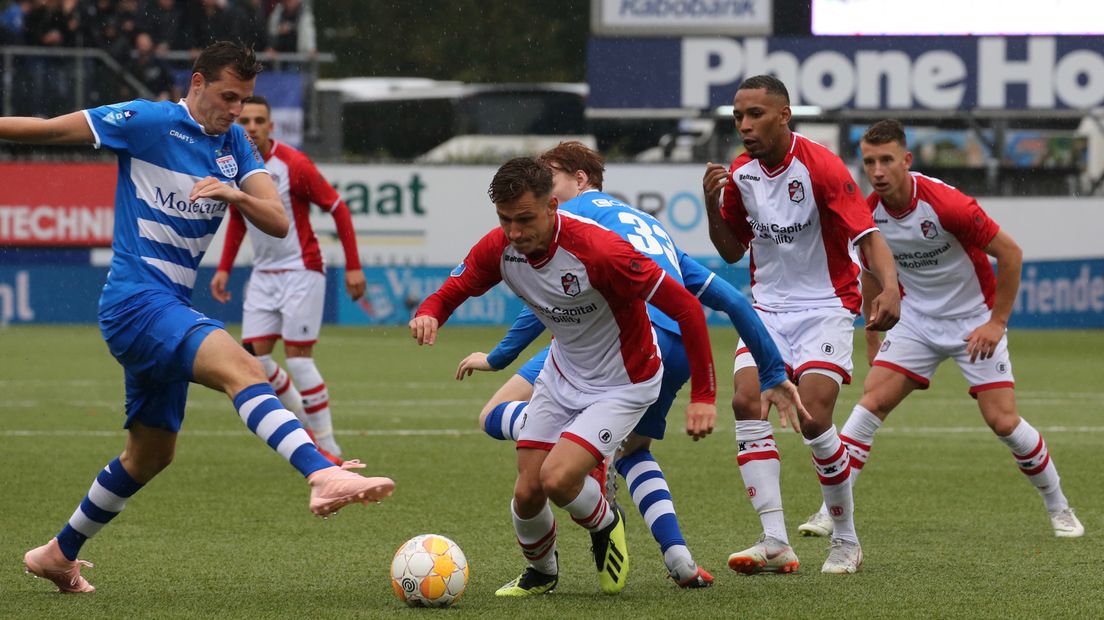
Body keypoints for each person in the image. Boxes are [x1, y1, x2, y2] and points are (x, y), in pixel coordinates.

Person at [8, 42, 393, 594]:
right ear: (196, 83)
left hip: (168, 306)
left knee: (151, 454)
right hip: (135, 301)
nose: (236, 111)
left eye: (244, 100)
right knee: (246, 369)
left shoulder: (235, 145)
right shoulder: (146, 121)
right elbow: (46, 131)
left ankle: (56, 553)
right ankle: (320, 473)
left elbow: (278, 221)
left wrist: (234, 193)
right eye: (227, 96)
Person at [454, 141, 808, 588]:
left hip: (618, 342)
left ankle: (581, 455)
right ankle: (678, 557)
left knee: (493, 416)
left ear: (579, 182)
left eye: (551, 175)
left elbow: (547, 298)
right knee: (634, 450)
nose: (542, 189)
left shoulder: (571, 219)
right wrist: (772, 371)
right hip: (672, 349)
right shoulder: (649, 225)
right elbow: (733, 301)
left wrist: (499, 356)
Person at [411, 157, 719, 597]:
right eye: (505, 220)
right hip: (562, 373)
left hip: (625, 382)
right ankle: (542, 573)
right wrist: (430, 312)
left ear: (553, 206)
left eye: (525, 219)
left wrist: (705, 394)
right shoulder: (501, 247)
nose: (514, 232)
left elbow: (687, 309)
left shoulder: (602, 251)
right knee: (528, 493)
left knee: (557, 479)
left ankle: (606, 522)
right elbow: (457, 287)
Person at [797, 119, 1084, 540]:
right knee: (871, 403)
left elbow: (1011, 253)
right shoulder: (865, 211)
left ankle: (1059, 506)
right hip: (915, 320)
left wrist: (996, 322)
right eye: (870, 161)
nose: (877, 170)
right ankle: (830, 509)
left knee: (1003, 422)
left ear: (906, 161)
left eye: (887, 160)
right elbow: (872, 271)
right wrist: (874, 335)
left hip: (973, 321)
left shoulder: (947, 205)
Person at [702, 74, 902, 574]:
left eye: (755, 115)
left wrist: (892, 287)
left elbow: (869, 237)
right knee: (747, 401)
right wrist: (711, 204)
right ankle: (774, 540)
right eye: (738, 117)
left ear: (784, 115)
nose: (744, 126)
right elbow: (732, 248)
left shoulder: (821, 167)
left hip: (827, 305)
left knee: (814, 418)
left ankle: (846, 541)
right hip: (766, 309)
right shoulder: (741, 172)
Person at [210, 94, 363, 463]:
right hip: (264, 276)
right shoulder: (234, 164)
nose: (251, 128)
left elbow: (338, 208)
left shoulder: (293, 164)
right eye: (244, 121)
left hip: (301, 269)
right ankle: (306, 431)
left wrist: (354, 265)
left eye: (259, 121)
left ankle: (329, 445)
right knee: (255, 363)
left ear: (271, 126)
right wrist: (224, 268)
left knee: (298, 361)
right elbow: (238, 218)